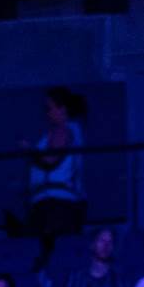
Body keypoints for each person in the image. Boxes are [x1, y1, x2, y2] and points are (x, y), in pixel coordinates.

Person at [26, 86, 88, 270]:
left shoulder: (64, 131)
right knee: (56, 256)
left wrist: (30, 150)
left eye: (50, 108)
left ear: (62, 109)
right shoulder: (67, 131)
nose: (47, 113)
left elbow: (50, 160)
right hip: (54, 204)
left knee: (54, 257)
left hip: (56, 206)